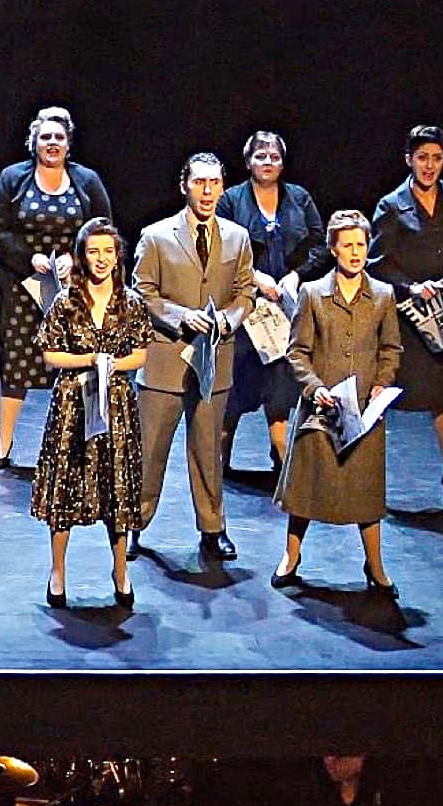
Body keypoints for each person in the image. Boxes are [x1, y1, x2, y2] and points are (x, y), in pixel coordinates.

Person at [271, 211, 403, 596]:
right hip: (321, 409)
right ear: (333, 249)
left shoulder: (382, 295)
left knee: (366, 491)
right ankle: (291, 557)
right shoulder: (313, 294)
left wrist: (381, 384)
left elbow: (391, 348)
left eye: (360, 245)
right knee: (307, 488)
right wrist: (314, 388)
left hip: (363, 411)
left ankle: (375, 566)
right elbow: (297, 352)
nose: (355, 252)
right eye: (346, 245)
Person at [132, 154, 255, 563]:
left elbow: (244, 294)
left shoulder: (237, 237)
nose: (207, 191)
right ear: (184, 185)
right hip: (166, 360)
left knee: (208, 449)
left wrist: (228, 321)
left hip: (213, 361)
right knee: (151, 450)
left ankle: (212, 528)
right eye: (199, 182)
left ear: (222, 187)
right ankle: (135, 522)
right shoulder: (156, 236)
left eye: (214, 183)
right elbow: (142, 293)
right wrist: (182, 316)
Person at [29, 218, 152, 609]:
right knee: (66, 484)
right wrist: (89, 360)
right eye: (93, 251)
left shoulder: (130, 302)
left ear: (118, 256)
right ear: (82, 255)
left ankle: (120, 571)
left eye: (108, 251)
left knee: (116, 486)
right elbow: (49, 354)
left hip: (116, 404)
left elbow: (141, 353)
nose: (101, 259)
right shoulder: (66, 300)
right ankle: (58, 571)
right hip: (72, 403)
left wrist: (113, 365)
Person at [0, 106, 113, 468]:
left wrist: (77, 258)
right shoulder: (13, 178)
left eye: (59, 137)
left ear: (68, 144)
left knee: (77, 365)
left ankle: (79, 444)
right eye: (45, 137)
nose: (52, 143)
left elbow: (103, 226)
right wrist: (30, 258)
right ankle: (3, 441)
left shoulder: (86, 180)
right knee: (16, 366)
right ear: (34, 143)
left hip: (74, 291)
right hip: (22, 288)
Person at [370, 124, 443, 509]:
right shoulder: (390, 205)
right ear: (409, 160)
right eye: (422, 158)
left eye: (436, 158)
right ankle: (368, 484)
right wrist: (411, 287)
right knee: (387, 398)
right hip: (404, 317)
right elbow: (377, 264)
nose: (429, 165)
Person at [216, 131, 330, 477]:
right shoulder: (232, 200)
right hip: (245, 308)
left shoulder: (298, 197)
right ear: (249, 161)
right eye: (261, 156)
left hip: (285, 308)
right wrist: (253, 277)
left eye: (275, 157)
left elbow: (320, 243)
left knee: (280, 382)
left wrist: (297, 274)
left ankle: (281, 453)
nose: (268, 163)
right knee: (238, 384)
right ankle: (220, 458)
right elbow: (218, 247)